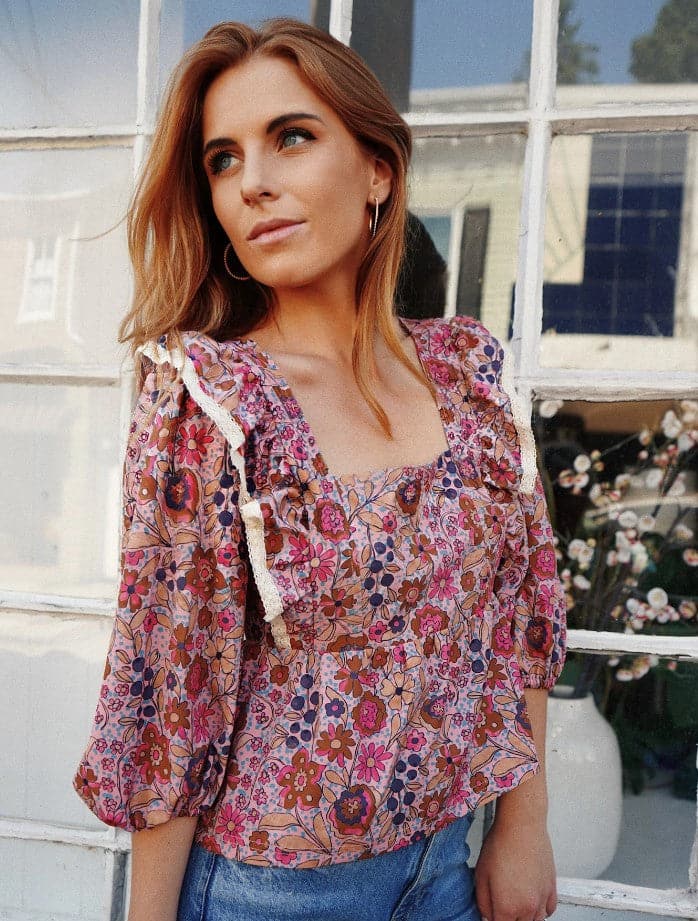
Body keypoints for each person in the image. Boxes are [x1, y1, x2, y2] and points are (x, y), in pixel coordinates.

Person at [72, 18, 568, 921]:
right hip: (271, 894)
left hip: (446, 868)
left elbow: (519, 614)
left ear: (377, 170)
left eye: (292, 137)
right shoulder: (211, 399)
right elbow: (172, 693)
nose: (252, 182)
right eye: (223, 160)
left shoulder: (465, 372)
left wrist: (523, 822)